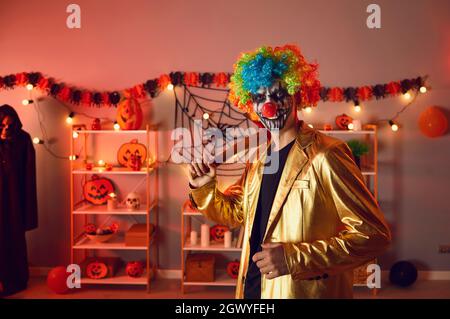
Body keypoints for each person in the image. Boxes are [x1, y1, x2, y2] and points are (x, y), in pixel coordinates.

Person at [187, 44, 391, 299]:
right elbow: (236, 213)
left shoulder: (327, 155)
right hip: (253, 288)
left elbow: (374, 236)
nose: (269, 106)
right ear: (252, 106)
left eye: (278, 94)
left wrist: (294, 259)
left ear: (297, 94)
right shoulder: (260, 159)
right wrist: (204, 186)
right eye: (260, 98)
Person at [0, 104, 38, 297]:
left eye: (10, 125)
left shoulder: (22, 140)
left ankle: (15, 278)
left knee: (13, 237)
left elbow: (27, 173)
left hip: (14, 197)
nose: (6, 128)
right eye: (2, 125)